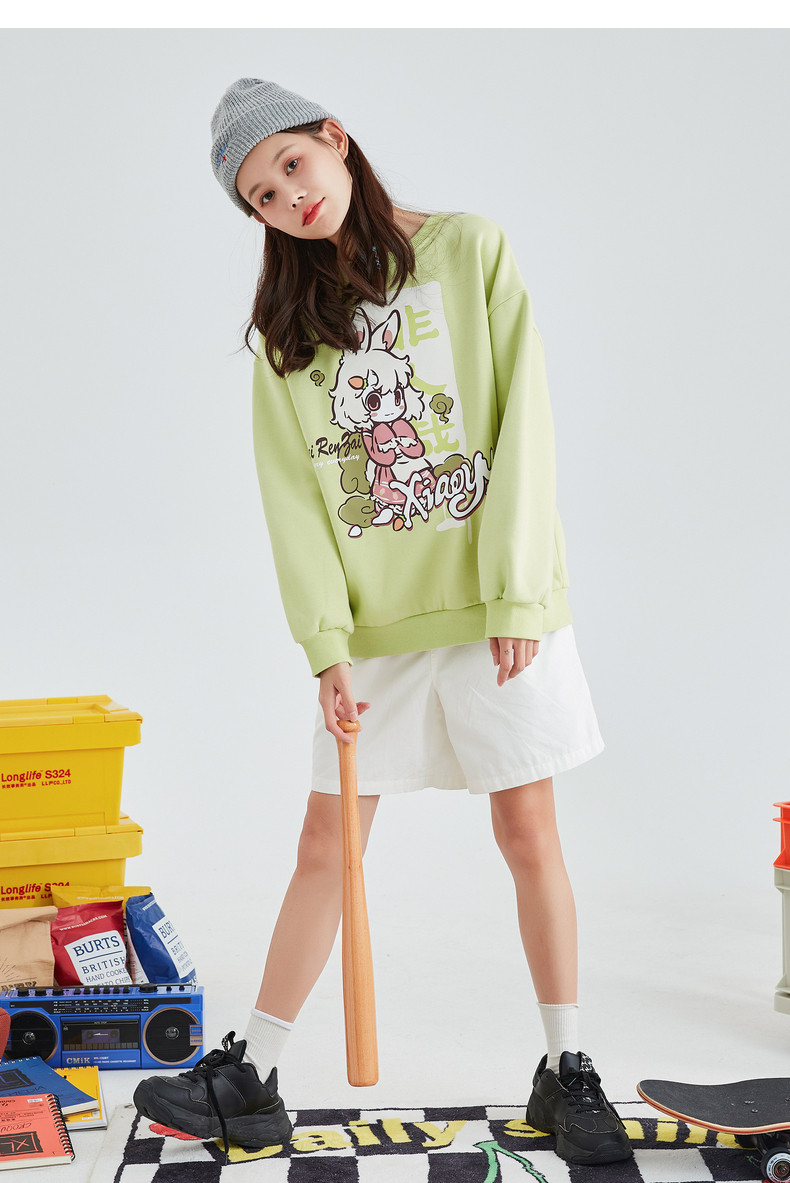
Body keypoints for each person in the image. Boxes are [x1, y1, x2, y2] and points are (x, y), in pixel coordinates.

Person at [133, 76, 632, 1168]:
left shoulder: (469, 249)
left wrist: (514, 589)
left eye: (291, 166)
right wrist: (324, 645)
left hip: (498, 611)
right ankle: (253, 1073)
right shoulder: (286, 333)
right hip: (375, 633)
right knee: (326, 844)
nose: (289, 199)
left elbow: (523, 418)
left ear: (334, 137)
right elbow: (294, 502)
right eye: (263, 198)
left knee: (528, 831)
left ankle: (566, 1067)